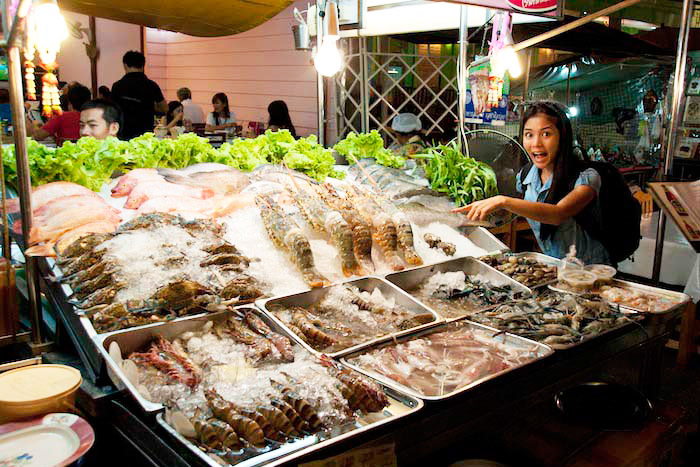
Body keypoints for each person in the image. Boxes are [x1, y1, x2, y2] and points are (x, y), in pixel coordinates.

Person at [454, 101, 610, 265]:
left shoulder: (587, 178)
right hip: (555, 266)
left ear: (562, 137)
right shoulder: (526, 176)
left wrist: (502, 200)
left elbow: (557, 214)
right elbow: (514, 212)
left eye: (546, 134)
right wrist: (471, 221)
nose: (536, 143)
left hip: (592, 269)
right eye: (529, 134)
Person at [111, 50, 167, 140]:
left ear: (125, 65)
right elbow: (164, 108)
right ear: (143, 65)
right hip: (145, 134)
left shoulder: (117, 86)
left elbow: (113, 110)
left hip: (123, 133)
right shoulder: (151, 85)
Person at [26, 83, 91, 145]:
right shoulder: (94, 117)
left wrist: (35, 125)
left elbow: (38, 136)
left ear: (68, 102)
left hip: (65, 154)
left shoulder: (62, 117)